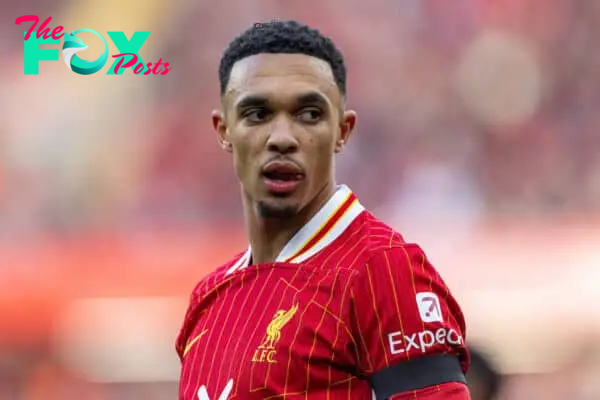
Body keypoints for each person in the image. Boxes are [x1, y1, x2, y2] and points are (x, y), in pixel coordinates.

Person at [176, 20, 470, 400]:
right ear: (224, 130)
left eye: (309, 114)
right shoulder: (208, 300)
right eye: (257, 113)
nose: (282, 138)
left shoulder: (382, 270)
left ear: (343, 131)